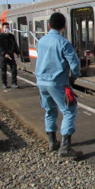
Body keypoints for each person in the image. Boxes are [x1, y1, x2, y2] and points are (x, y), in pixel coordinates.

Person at [35, 12, 82, 157]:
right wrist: (73, 78)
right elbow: (75, 64)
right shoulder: (63, 43)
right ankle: (65, 148)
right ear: (64, 26)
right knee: (69, 110)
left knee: (50, 110)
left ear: (49, 25)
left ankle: (52, 142)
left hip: (41, 82)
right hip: (57, 82)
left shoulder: (41, 41)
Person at [0, 22, 20, 89]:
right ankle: (4, 83)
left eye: (8, 27)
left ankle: (14, 83)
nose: (7, 28)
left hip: (11, 55)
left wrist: (18, 52)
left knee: (14, 69)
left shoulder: (11, 36)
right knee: (3, 70)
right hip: (2, 56)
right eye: (6, 27)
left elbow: (15, 45)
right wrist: (4, 53)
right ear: (3, 28)